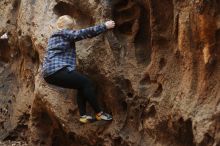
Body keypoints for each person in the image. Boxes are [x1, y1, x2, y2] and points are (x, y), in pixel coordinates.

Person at [42, 15, 115, 123]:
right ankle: (100, 113)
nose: (71, 30)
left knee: (81, 85)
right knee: (87, 83)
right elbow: (82, 33)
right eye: (70, 28)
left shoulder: (54, 37)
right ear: (64, 27)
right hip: (57, 69)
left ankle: (83, 116)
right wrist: (104, 26)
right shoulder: (63, 33)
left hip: (49, 74)